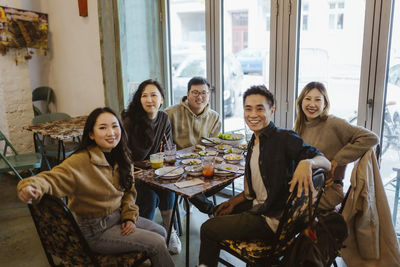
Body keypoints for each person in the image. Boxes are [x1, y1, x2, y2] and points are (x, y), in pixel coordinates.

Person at [17, 107, 175, 267]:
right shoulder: (80, 161)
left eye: (115, 126)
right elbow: (50, 179)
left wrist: (129, 216)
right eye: (102, 128)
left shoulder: (122, 156)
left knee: (161, 232)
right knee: (156, 243)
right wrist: (28, 186)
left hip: (118, 217)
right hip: (96, 230)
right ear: (91, 134)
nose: (111, 132)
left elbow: (128, 192)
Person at [198, 85, 331, 267]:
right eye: (248, 109)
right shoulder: (254, 140)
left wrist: (308, 162)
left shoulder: (284, 138)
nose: (253, 114)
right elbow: (256, 189)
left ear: (272, 110)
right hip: (263, 208)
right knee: (219, 212)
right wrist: (234, 202)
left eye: (260, 108)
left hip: (271, 220)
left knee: (207, 228)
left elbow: (326, 162)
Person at [294, 81, 379, 210]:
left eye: (318, 100)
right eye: (308, 99)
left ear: (325, 104)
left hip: (328, 190)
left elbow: (371, 138)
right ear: (301, 102)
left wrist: (337, 160)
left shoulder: (333, 123)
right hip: (305, 187)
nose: (312, 104)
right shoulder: (299, 127)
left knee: (288, 209)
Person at [122, 79, 181, 254]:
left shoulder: (163, 118)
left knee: (168, 184)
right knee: (148, 194)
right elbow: (122, 154)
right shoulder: (129, 120)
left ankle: (169, 231)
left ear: (161, 99)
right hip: (132, 172)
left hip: (155, 170)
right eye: (144, 95)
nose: (149, 100)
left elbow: (168, 148)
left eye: (154, 95)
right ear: (139, 99)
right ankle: (143, 237)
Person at [165, 76, 222, 216]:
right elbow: (165, 143)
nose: (199, 97)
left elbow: (213, 146)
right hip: (178, 166)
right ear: (188, 94)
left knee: (225, 174)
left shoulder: (214, 117)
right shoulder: (170, 113)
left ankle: (194, 199)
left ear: (208, 95)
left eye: (203, 93)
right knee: (185, 181)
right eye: (195, 92)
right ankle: (213, 210)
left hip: (203, 164)